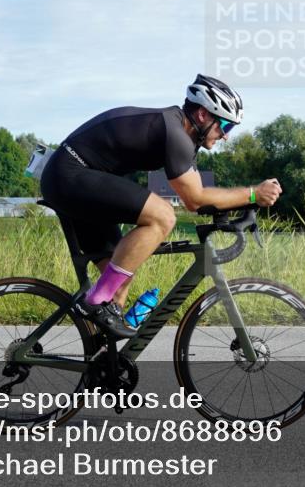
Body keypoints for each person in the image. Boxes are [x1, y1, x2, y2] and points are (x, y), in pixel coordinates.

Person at [39, 74, 282, 338]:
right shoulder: (174, 133)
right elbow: (195, 199)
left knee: (120, 277)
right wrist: (253, 195)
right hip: (70, 176)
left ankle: (103, 366)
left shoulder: (182, 137)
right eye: (225, 125)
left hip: (77, 179)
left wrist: (236, 206)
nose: (225, 136)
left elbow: (200, 199)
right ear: (202, 114)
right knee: (162, 216)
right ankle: (95, 301)